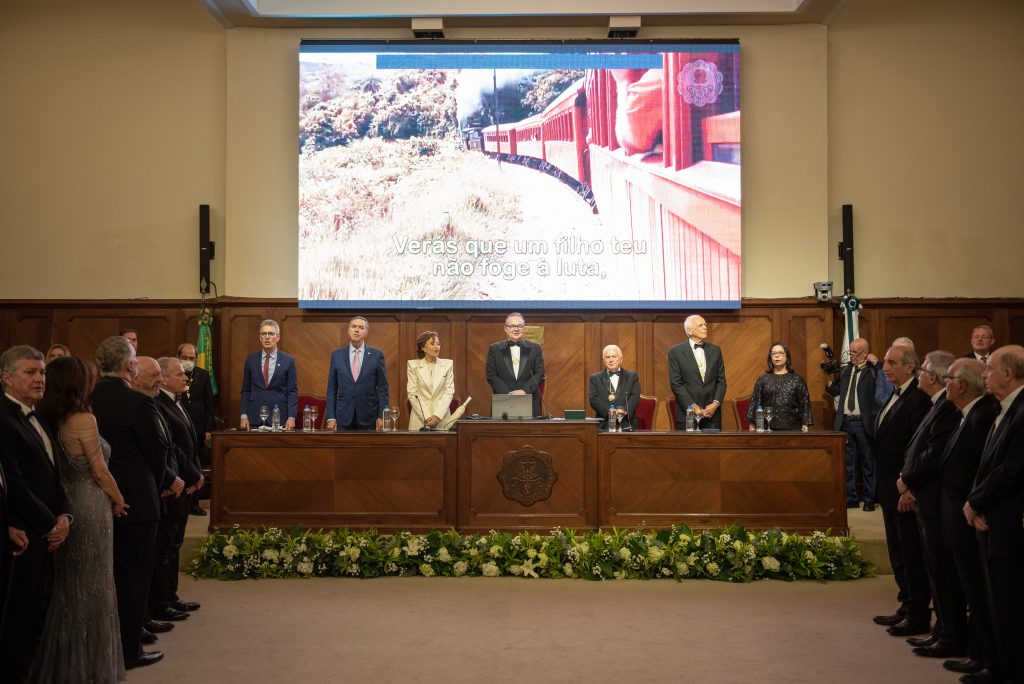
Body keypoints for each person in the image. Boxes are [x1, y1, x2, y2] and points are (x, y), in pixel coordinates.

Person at [30, 355, 128, 684]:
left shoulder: (50, 417)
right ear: (78, 383)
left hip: (67, 502)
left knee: (69, 585)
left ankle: (64, 665)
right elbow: (100, 472)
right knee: (94, 586)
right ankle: (91, 669)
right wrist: (119, 499)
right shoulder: (84, 419)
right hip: (89, 504)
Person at [91, 337, 176, 670]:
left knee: (108, 573)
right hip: (138, 501)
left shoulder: (89, 397)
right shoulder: (138, 402)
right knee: (134, 577)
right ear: (129, 366)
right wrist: (162, 484)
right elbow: (157, 452)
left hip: (97, 496)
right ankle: (129, 651)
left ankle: (103, 643)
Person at [0, 345, 71, 682]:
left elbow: (53, 476)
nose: (40, 378)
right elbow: (14, 484)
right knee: (16, 620)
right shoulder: (3, 418)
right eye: (30, 372)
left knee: (34, 616)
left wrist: (65, 516)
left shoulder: (38, 415)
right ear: (6, 377)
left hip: (46, 529)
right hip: (25, 535)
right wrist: (49, 525)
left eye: (42, 372)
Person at [896, 351, 963, 659]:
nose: (918, 375)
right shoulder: (937, 405)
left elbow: (933, 454)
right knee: (934, 570)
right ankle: (942, 630)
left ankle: (950, 635)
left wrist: (907, 480)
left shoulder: (947, 409)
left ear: (932, 376)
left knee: (942, 572)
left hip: (936, 501)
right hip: (925, 498)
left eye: (921, 370)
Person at [935, 359, 1000, 678]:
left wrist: (975, 504)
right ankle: (978, 651)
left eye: (947, 378)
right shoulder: (968, 413)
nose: (943, 382)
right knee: (970, 588)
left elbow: (982, 469)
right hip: (957, 513)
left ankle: (985, 655)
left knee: (978, 591)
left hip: (969, 516)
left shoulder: (983, 414)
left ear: (961, 384)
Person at [964, 345, 1024, 684]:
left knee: (1009, 601)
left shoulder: (1022, 410)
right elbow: (986, 465)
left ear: (1008, 374)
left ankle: (1010, 670)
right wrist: (975, 501)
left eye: (989, 369)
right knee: (996, 598)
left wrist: (976, 502)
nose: (984, 375)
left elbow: (1011, 470)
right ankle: (999, 663)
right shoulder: (1004, 407)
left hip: (1007, 519)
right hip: (990, 514)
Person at [871, 343, 933, 638]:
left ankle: (918, 611)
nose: (885, 367)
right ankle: (906, 604)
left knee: (910, 551)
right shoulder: (895, 396)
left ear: (911, 367)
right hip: (888, 488)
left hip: (903, 489)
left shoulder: (918, 399)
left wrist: (910, 487)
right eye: (884, 362)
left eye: (892, 362)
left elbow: (916, 448)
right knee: (897, 550)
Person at [827, 337, 883, 511]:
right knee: (848, 462)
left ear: (865, 352)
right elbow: (835, 390)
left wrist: (878, 362)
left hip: (863, 422)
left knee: (868, 461)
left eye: (855, 352)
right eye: (850, 351)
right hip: (845, 422)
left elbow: (886, 381)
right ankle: (851, 498)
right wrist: (829, 378)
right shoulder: (845, 371)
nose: (851, 355)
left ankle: (868, 499)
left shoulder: (873, 371)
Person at [326, 316, 389, 431]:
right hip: (343, 417)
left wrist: (382, 416)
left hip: (369, 417)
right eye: (354, 326)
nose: (356, 330)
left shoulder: (377, 355)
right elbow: (332, 389)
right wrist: (330, 417)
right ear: (348, 330)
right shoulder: (337, 355)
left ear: (366, 332)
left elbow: (382, 388)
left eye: (361, 327)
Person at [668, 314, 726, 430]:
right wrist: (693, 407)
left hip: (712, 415)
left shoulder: (715, 350)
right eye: (700, 325)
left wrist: (715, 404)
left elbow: (721, 381)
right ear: (690, 331)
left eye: (705, 324)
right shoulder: (675, 352)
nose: (705, 327)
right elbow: (676, 384)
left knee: (713, 448)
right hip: (687, 414)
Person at [239, 320, 298, 431]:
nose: (267, 337)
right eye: (264, 334)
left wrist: (291, 417)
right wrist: (243, 416)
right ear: (260, 337)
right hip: (254, 418)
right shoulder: (251, 360)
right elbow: (246, 390)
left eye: (270, 334)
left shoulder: (288, 361)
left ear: (277, 337)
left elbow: (292, 391)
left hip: (278, 419)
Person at [177, 342, 214, 516]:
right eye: (185, 358)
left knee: (196, 465)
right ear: (179, 357)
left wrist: (208, 429)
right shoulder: (174, 373)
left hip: (198, 427)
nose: (189, 361)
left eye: (192, 358)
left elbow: (209, 404)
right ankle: (180, 500)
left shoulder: (203, 375)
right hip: (179, 426)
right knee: (181, 464)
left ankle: (194, 503)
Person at [486, 312, 546, 418]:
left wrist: (524, 391)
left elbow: (539, 373)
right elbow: (491, 375)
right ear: (505, 328)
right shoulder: (494, 349)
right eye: (512, 326)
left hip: (530, 400)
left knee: (530, 434)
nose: (516, 329)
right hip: (503, 400)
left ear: (523, 328)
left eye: (519, 326)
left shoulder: (535, 348)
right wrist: (509, 394)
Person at [745, 342, 812, 432]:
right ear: (771, 358)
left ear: (786, 356)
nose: (777, 356)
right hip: (768, 429)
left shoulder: (797, 379)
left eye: (780, 353)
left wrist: (805, 424)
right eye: (773, 354)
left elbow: (804, 403)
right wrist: (752, 425)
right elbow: (755, 402)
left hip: (793, 429)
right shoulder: (763, 379)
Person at [406, 331, 455, 431]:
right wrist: (427, 417)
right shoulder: (413, 365)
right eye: (432, 343)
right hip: (420, 419)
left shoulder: (448, 365)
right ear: (423, 348)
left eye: (438, 343)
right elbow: (412, 393)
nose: (437, 346)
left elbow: (449, 392)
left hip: (442, 419)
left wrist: (437, 416)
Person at [588, 344, 640, 431]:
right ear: (604, 360)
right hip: (604, 425)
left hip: (626, 424)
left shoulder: (632, 376)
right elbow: (593, 398)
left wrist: (624, 411)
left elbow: (635, 396)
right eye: (608, 357)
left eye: (614, 356)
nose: (611, 360)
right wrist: (610, 412)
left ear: (621, 359)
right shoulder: (595, 378)